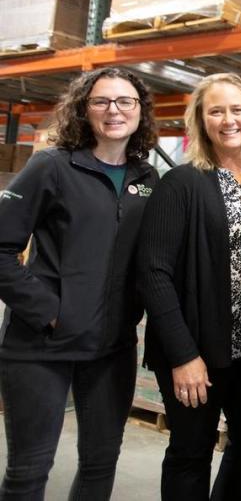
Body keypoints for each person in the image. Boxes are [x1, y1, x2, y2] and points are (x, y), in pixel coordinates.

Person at [0, 68, 158, 500]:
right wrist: (49, 312)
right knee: (29, 470)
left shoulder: (147, 180)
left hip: (111, 349)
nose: (114, 111)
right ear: (83, 110)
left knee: (100, 465)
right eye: (101, 101)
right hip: (40, 347)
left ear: (140, 111)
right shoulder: (51, 166)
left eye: (126, 101)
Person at [138, 73, 241, 500]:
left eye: (237, 110)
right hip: (196, 349)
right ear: (201, 120)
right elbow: (153, 273)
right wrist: (184, 356)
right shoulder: (182, 182)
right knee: (191, 451)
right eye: (216, 111)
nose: (228, 120)